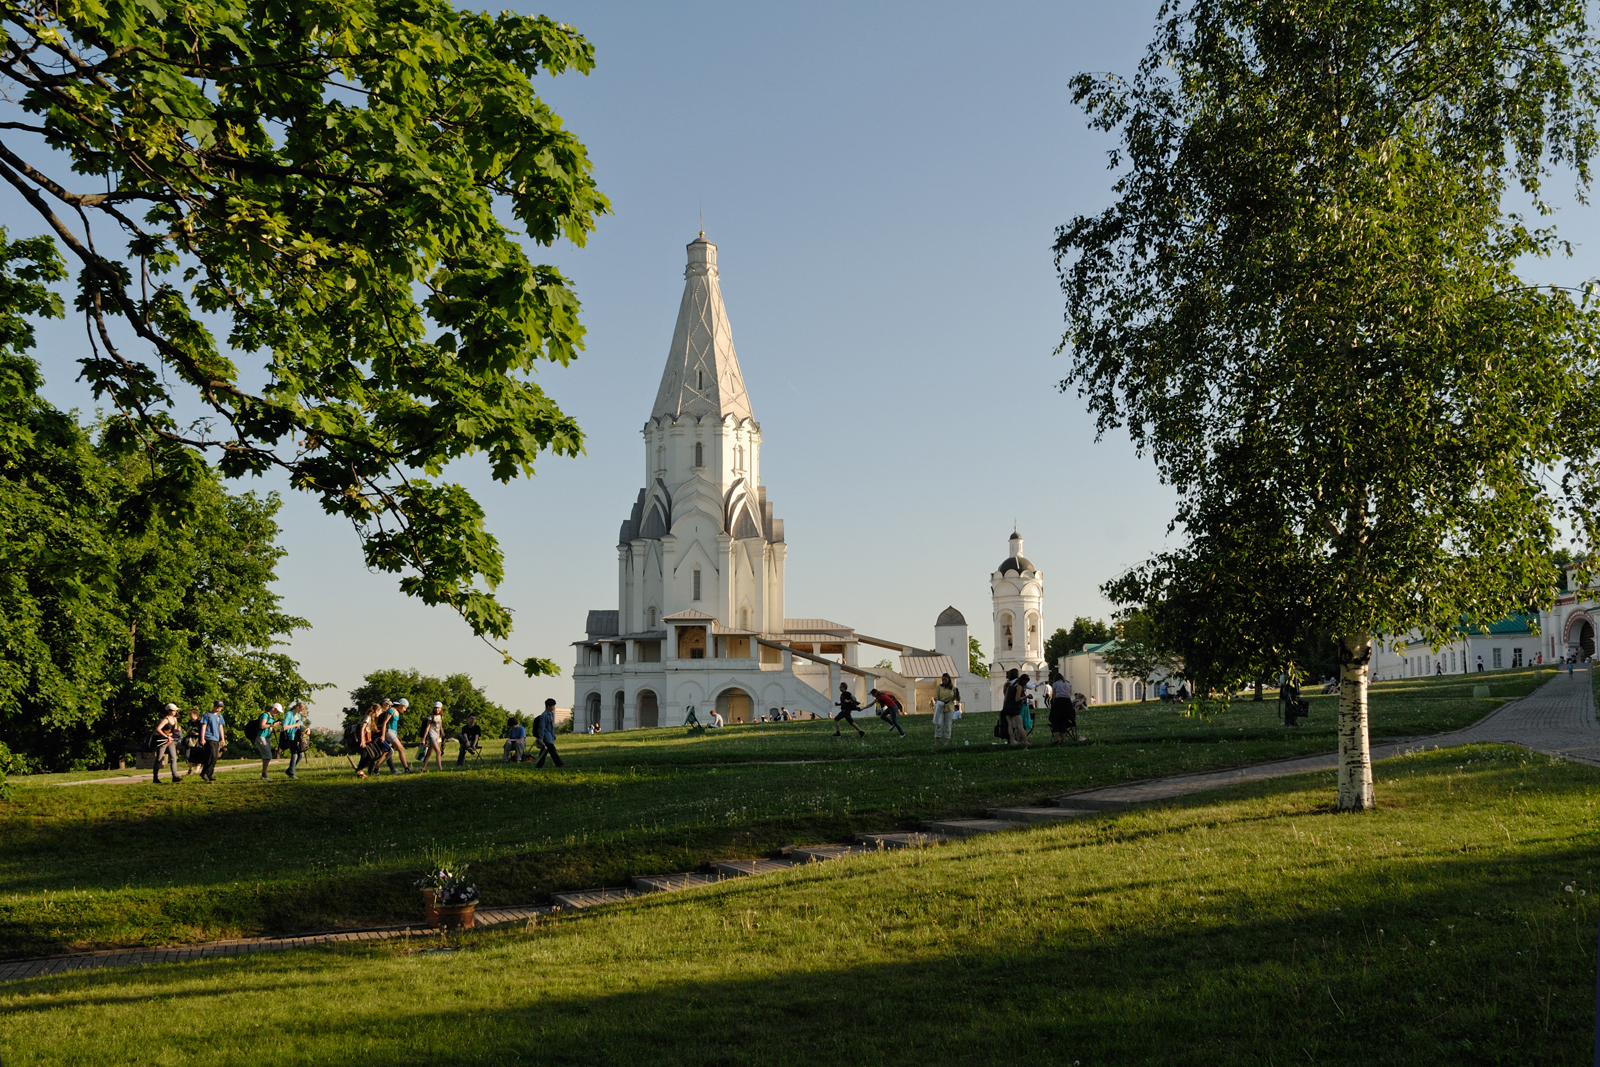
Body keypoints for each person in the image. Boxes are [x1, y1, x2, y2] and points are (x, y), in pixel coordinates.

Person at [152, 703, 180, 783]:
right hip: (163, 741)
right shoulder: (165, 720)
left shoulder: (175, 719)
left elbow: (173, 729)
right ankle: (155, 777)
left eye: (175, 711)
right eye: (173, 710)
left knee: (173, 758)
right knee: (159, 758)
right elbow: (158, 729)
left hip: (170, 740)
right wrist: (166, 736)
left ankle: (175, 776)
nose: (174, 712)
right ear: (169, 711)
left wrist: (176, 730)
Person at [199, 700, 226, 782]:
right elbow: (203, 727)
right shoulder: (207, 715)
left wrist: (223, 739)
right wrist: (202, 738)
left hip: (216, 738)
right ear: (214, 706)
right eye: (217, 707)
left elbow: (220, 728)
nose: (218, 709)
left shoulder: (219, 716)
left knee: (214, 757)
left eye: (220, 708)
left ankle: (209, 774)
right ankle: (204, 772)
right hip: (209, 738)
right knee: (211, 755)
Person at [534, 698, 565, 768]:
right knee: (552, 751)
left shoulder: (550, 714)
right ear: (548, 706)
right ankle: (559, 764)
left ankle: (539, 765)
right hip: (546, 736)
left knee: (544, 752)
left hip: (550, 736)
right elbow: (542, 727)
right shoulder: (544, 715)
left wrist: (553, 734)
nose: (554, 707)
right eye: (552, 706)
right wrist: (541, 738)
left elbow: (551, 726)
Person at [383, 698, 411, 773]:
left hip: (393, 732)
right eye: (405, 708)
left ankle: (376, 768)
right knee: (401, 749)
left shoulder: (397, 712)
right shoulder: (391, 710)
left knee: (386, 752)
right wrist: (383, 735)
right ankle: (406, 768)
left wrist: (397, 735)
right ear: (401, 705)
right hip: (389, 731)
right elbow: (385, 723)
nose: (405, 710)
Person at [281, 701, 307, 779]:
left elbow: (300, 724)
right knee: (294, 754)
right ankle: (291, 773)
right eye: (301, 710)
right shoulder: (289, 714)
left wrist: (307, 729)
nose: (301, 712)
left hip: (297, 737)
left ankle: (290, 770)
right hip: (290, 736)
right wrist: (295, 725)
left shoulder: (298, 715)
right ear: (297, 708)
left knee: (300, 754)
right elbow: (284, 727)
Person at [253, 703, 280, 780]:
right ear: (273, 709)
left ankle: (264, 774)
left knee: (267, 757)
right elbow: (262, 726)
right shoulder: (265, 715)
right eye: (277, 711)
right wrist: (273, 725)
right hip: (261, 737)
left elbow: (268, 729)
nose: (277, 714)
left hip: (267, 737)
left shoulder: (271, 718)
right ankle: (264, 775)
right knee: (267, 756)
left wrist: (276, 730)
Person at [931, 674, 959, 747]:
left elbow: (957, 698)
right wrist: (938, 701)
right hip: (940, 707)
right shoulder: (939, 687)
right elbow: (936, 696)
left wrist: (957, 694)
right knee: (939, 725)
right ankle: (936, 742)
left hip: (949, 708)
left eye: (945, 680)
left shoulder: (952, 688)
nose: (944, 681)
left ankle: (946, 742)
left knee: (948, 725)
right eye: (943, 679)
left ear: (948, 680)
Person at [356, 706, 382, 779]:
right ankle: (359, 770)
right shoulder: (368, 718)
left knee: (368, 756)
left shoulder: (371, 719)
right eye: (379, 712)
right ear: (376, 711)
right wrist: (362, 741)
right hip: (365, 740)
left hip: (368, 740)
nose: (380, 714)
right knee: (367, 756)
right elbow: (362, 729)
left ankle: (360, 770)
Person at [1048, 672, 1074, 745]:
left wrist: (1053, 704)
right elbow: (1070, 693)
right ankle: (1064, 739)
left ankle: (1057, 739)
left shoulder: (1055, 684)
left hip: (1059, 702)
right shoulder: (1068, 683)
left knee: (1055, 720)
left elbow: (1054, 695)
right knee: (1064, 720)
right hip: (1067, 702)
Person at [420, 701, 446, 772]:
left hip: (437, 736)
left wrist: (442, 735)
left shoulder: (440, 717)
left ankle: (423, 768)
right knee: (438, 752)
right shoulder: (431, 717)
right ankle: (440, 769)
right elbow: (427, 728)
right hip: (431, 736)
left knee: (429, 753)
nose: (437, 710)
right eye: (436, 708)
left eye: (438, 708)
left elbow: (440, 727)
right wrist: (424, 738)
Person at [182, 708, 205, 777]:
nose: (190, 716)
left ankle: (197, 769)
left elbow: (203, 731)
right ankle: (190, 768)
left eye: (192, 714)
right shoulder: (189, 722)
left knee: (197, 754)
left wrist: (197, 734)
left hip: (197, 739)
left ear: (196, 714)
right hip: (190, 740)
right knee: (187, 754)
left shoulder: (200, 722)